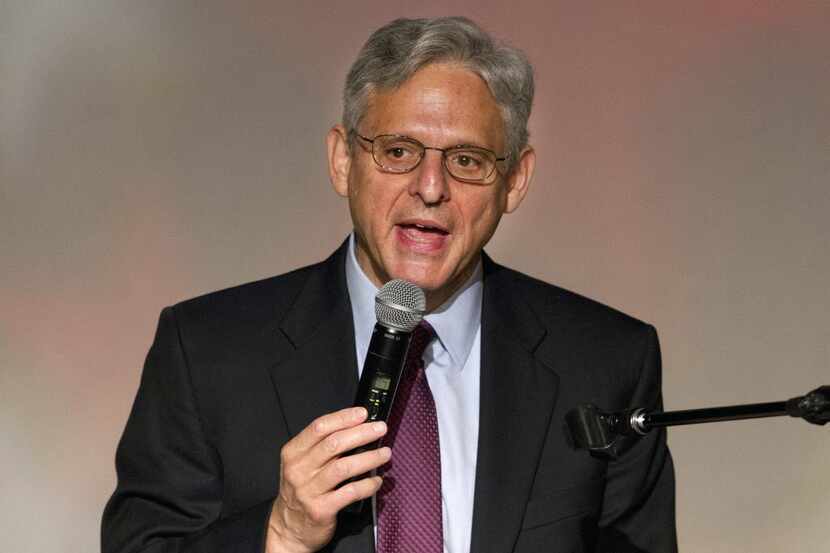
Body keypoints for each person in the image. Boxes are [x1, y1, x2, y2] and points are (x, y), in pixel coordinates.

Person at [102, 16, 676, 553]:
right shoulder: (206, 351)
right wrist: (281, 532)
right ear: (343, 161)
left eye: (468, 160)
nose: (430, 188)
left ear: (514, 181)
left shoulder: (606, 362)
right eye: (398, 152)